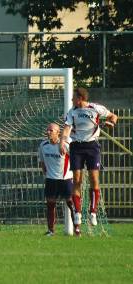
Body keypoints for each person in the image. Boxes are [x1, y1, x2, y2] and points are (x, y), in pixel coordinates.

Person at [60, 87, 118, 236]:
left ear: (80, 98)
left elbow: (113, 116)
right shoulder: (72, 112)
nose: (72, 100)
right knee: (77, 179)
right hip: (77, 146)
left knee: (94, 178)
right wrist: (62, 142)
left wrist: (111, 123)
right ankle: (78, 213)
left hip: (92, 146)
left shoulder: (96, 108)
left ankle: (93, 212)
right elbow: (67, 128)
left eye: (74, 97)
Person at [38, 123, 76, 236]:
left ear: (58, 132)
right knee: (50, 204)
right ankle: (51, 231)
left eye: (51, 130)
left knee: (71, 203)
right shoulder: (43, 145)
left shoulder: (66, 145)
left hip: (65, 179)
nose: (48, 132)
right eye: (47, 130)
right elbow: (42, 161)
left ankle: (77, 228)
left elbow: (75, 158)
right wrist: (46, 173)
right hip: (51, 179)